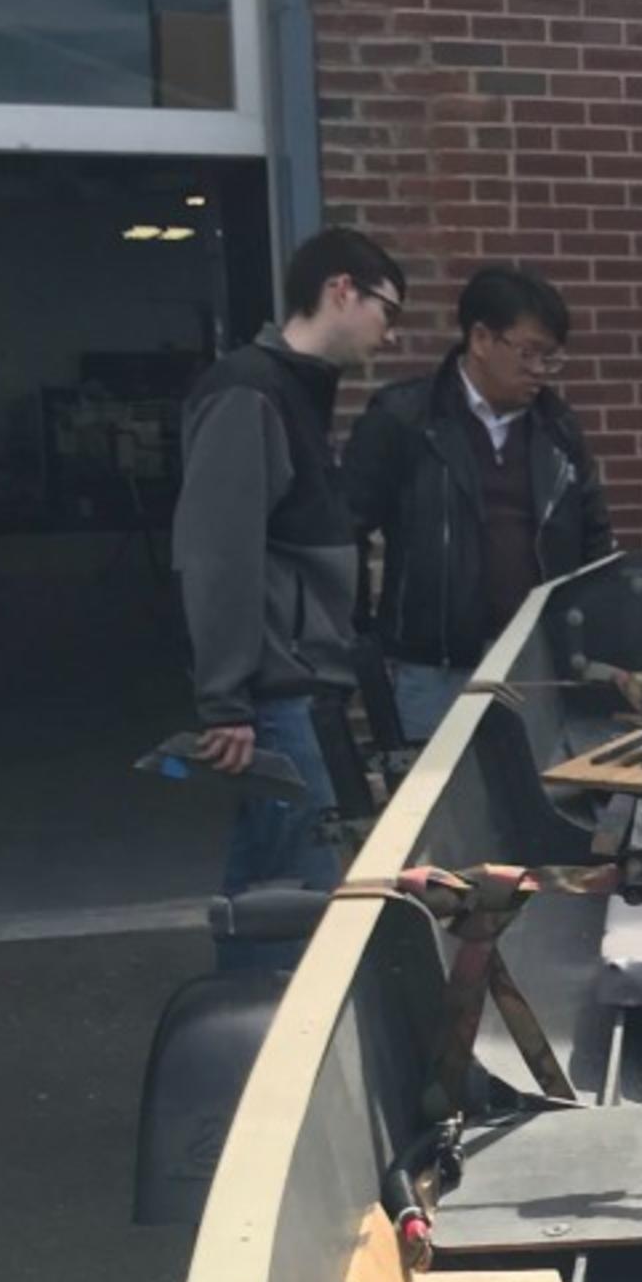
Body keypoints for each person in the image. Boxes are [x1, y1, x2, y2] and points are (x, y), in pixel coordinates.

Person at [172, 225, 405, 905]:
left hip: (303, 691)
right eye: (386, 311)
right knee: (286, 899)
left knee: (285, 888)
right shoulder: (250, 392)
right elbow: (218, 553)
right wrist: (225, 702)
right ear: (341, 290)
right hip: (278, 700)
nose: (389, 335)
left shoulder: (296, 391)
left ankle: (267, 1005)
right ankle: (264, 1010)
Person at [341, 261, 613, 742]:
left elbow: (595, 541)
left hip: (537, 662)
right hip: (436, 667)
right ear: (482, 339)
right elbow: (346, 531)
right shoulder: (405, 420)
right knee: (437, 801)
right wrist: (360, 640)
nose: (539, 373)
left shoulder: (557, 430)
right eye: (529, 354)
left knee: (537, 797)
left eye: (551, 359)